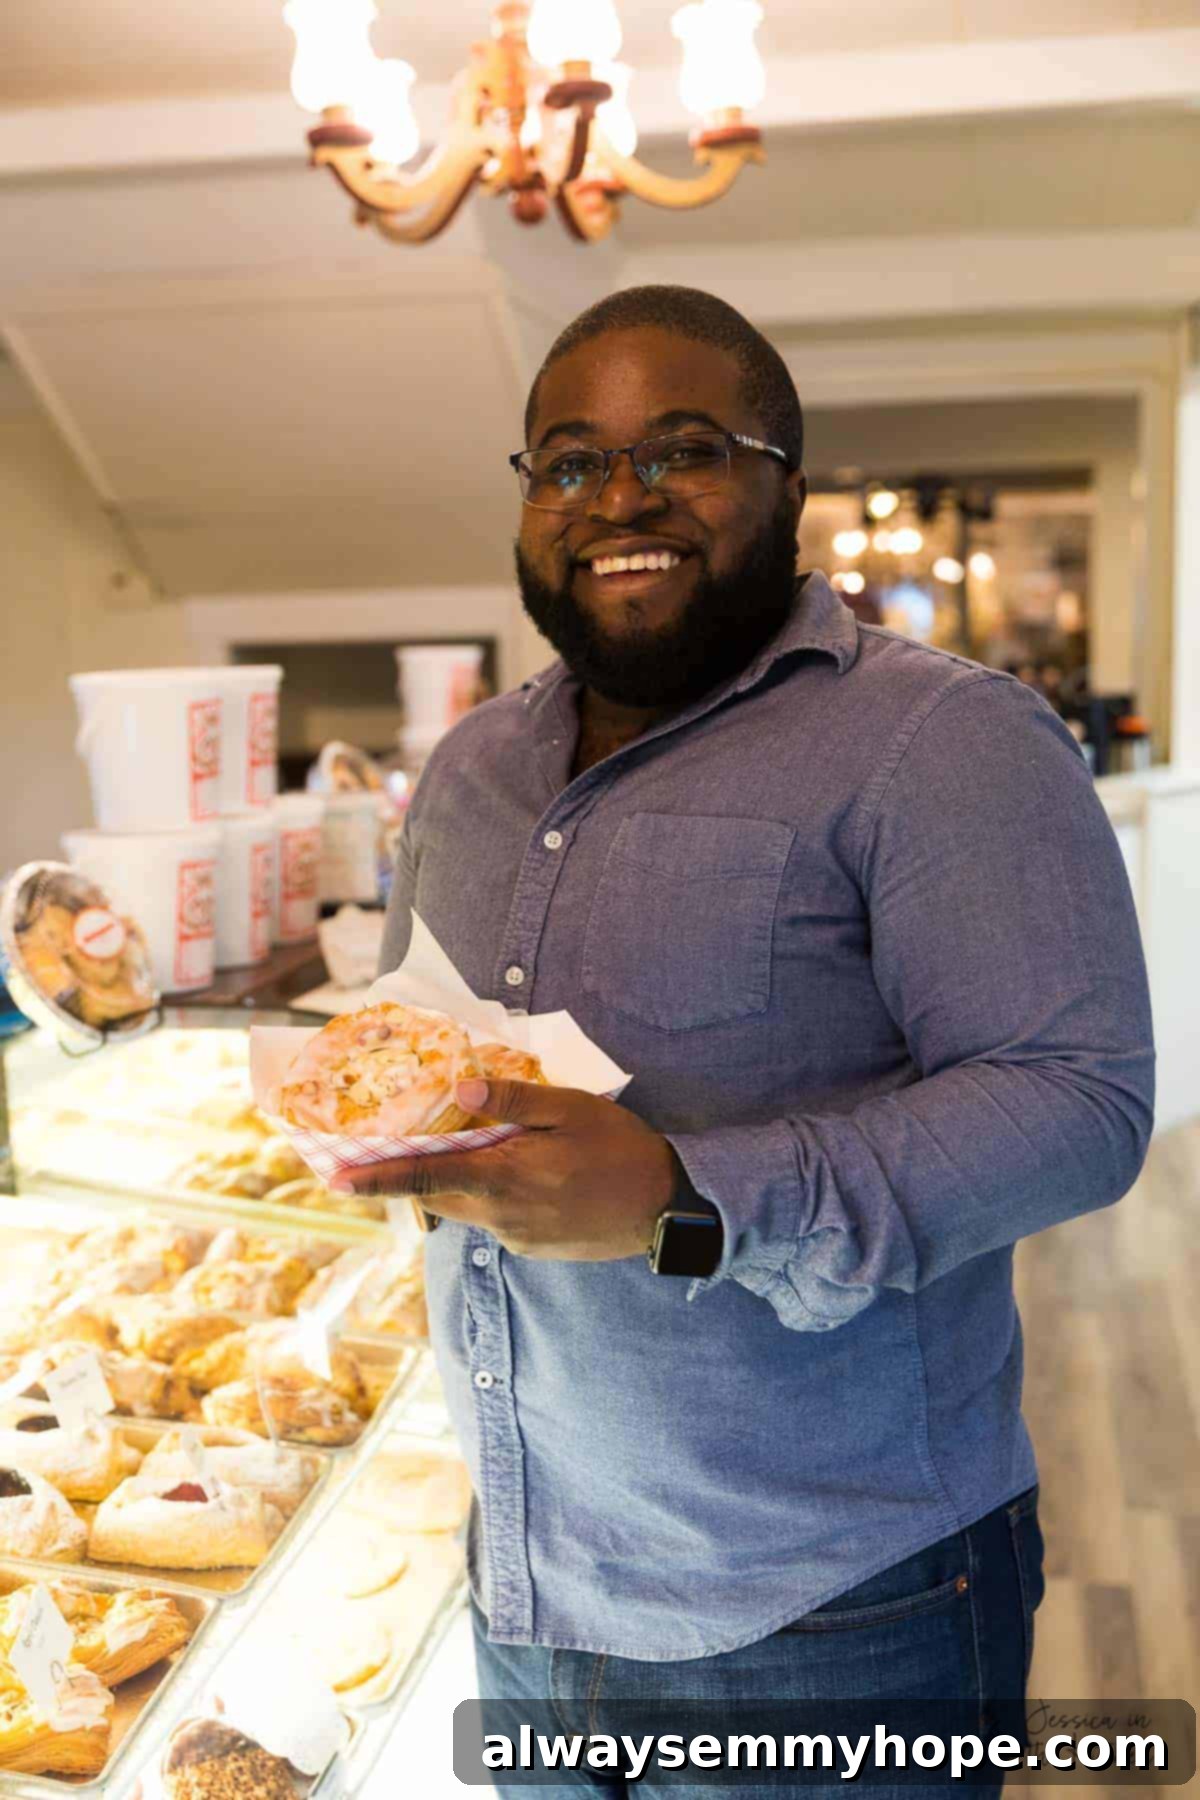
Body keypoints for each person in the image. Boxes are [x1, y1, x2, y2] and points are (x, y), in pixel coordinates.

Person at [333, 286, 1155, 1795]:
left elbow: (1079, 1103)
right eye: (569, 461)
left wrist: (681, 1198)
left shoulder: (943, 738)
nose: (620, 497)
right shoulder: (470, 769)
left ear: (792, 479)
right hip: (526, 1574)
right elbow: (416, 1047)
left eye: (685, 448)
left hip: (837, 1607)